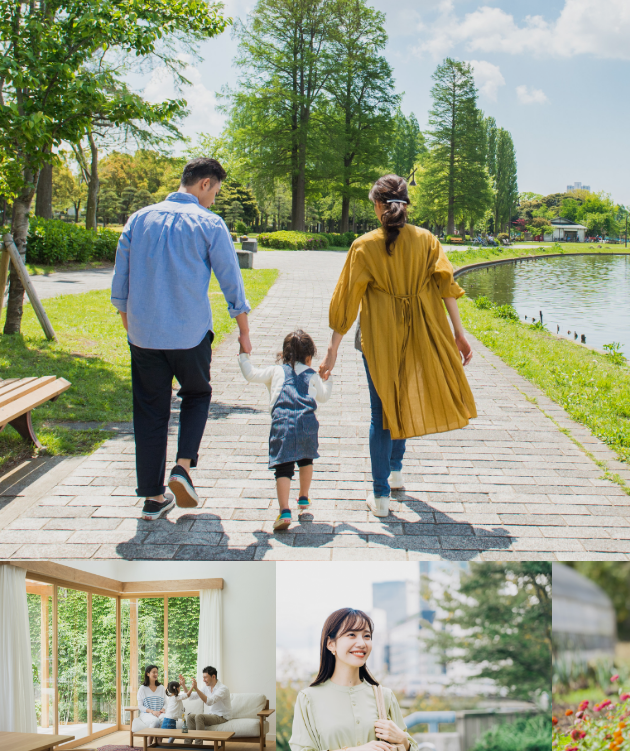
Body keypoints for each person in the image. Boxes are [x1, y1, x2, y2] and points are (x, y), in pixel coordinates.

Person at [319, 174, 476, 517]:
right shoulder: (428, 240)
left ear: (377, 205)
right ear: (407, 204)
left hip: (378, 336)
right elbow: (447, 286)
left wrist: (332, 349)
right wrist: (458, 333)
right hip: (420, 329)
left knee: (381, 412)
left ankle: (380, 497)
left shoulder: (363, 246)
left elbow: (346, 301)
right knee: (402, 400)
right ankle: (396, 471)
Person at [111, 157, 253, 522]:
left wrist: (133, 329)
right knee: (197, 394)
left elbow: (120, 286)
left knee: (149, 410)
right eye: (215, 193)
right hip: (189, 335)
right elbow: (231, 282)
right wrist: (244, 332)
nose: (214, 200)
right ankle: (183, 467)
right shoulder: (209, 224)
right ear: (204, 183)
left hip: (143, 336)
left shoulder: (139, 219)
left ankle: (153, 498)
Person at [239, 330, 333, 531]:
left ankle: (284, 510)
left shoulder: (276, 371)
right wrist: (327, 379)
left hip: (283, 424)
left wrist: (243, 355)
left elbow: (250, 374)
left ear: (284, 354)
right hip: (308, 423)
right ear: (309, 357)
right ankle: (304, 495)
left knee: (283, 467)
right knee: (306, 458)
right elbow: (324, 397)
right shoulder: (312, 375)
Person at [289, 607, 418, 751]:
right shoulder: (308, 698)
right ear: (331, 644)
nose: (362, 643)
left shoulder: (384, 696)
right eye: (351, 634)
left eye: (367, 636)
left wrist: (403, 741)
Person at [186, 666, 232, 743]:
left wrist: (196, 688)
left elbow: (210, 702)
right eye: (203, 678)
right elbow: (191, 697)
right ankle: (187, 745)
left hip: (222, 716)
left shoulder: (223, 689)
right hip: (212, 715)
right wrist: (184, 685)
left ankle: (198, 746)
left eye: (205, 677)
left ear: (213, 676)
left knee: (199, 717)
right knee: (190, 717)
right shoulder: (206, 688)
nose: (203, 680)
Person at [162, 678, 193, 743]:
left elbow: (175, 689)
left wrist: (179, 685)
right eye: (179, 687)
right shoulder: (176, 698)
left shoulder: (171, 697)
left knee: (166, 735)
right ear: (177, 689)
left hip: (166, 719)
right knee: (173, 735)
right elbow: (188, 695)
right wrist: (192, 687)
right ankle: (168, 745)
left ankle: (165, 745)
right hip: (170, 720)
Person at [137, 665, 166, 730]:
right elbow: (140, 706)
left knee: (165, 720)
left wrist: (162, 710)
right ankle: (149, 740)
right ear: (147, 674)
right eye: (154, 672)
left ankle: (159, 740)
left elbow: (166, 703)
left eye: (157, 672)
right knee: (155, 721)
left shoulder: (161, 687)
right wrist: (152, 712)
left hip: (159, 714)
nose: (156, 674)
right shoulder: (142, 688)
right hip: (147, 714)